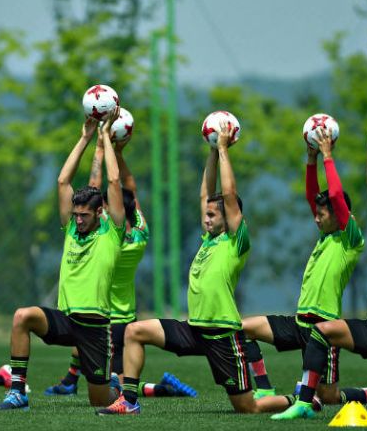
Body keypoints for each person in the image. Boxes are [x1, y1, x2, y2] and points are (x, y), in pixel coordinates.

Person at [97, 120, 301, 415]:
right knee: (134, 332)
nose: (205, 219)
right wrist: (211, 152)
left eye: (211, 215)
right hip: (194, 330)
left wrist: (223, 151)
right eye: (205, 215)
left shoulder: (236, 241)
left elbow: (228, 195)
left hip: (222, 334)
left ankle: (300, 401)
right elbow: (207, 192)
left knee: (247, 407)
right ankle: (128, 401)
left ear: (230, 217)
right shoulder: (209, 239)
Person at [271, 108, 367, 420]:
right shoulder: (350, 232)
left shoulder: (353, 233)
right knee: (323, 333)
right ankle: (304, 403)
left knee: (334, 394)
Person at [44, 125, 196, 399]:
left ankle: (161, 389)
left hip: (106, 318)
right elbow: (130, 192)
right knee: (109, 370)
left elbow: (96, 188)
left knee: (116, 381)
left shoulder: (104, 238)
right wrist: (118, 152)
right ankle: (69, 379)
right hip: (127, 316)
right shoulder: (139, 237)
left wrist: (101, 149)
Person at [0, 109, 125, 411]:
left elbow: (114, 183)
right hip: (67, 320)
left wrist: (105, 135)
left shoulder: (111, 232)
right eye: (75, 214)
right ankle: (17, 392)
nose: (77, 220)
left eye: (84, 215)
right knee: (21, 317)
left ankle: (116, 386)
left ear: (99, 213)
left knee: (98, 400)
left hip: (95, 328)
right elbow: (62, 181)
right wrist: (85, 137)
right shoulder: (70, 229)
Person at [241, 126, 364, 404]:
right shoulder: (325, 236)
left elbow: (335, 197)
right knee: (243, 328)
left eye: (322, 214)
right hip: (299, 322)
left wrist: (327, 156)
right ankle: (264, 388)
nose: (316, 219)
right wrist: (311, 159)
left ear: (339, 215)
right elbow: (313, 195)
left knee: (329, 397)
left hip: (325, 328)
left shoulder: (349, 240)